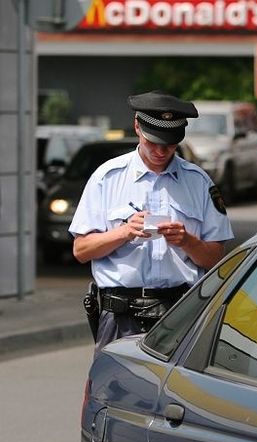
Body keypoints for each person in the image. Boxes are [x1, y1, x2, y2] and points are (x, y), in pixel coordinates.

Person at [69, 90, 234, 355]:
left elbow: (216, 258)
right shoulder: (107, 178)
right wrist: (124, 232)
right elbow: (81, 250)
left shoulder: (199, 182)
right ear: (137, 126)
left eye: (169, 144)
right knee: (112, 393)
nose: (160, 151)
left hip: (180, 313)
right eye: (152, 142)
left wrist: (186, 241)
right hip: (121, 316)